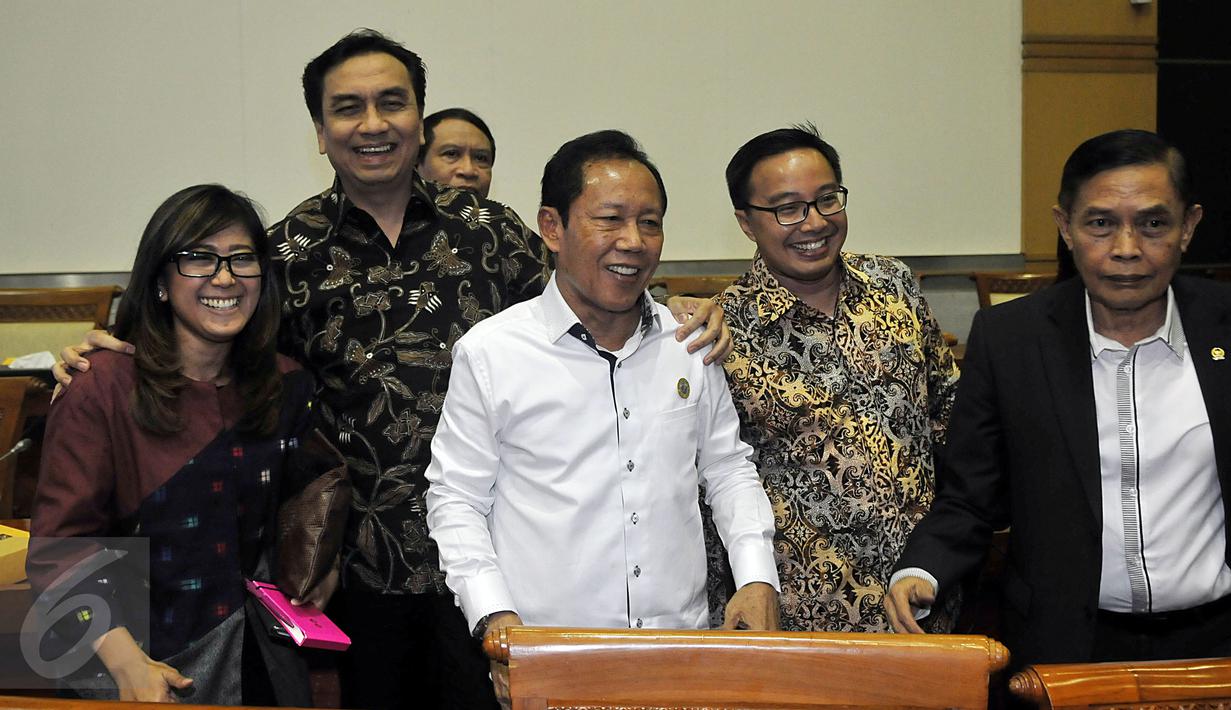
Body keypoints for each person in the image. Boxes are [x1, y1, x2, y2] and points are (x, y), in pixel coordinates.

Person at [54, 29, 730, 710]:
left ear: (419, 119)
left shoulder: (489, 233)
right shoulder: (284, 251)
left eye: (391, 103)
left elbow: (595, 298)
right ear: (320, 131)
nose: (372, 124)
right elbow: (214, 336)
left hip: (499, 573)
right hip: (349, 575)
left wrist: (681, 309)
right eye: (347, 108)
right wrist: (99, 351)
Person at [424, 130, 780, 704]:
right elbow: (456, 499)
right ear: (552, 227)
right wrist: (496, 618)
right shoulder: (492, 353)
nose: (633, 242)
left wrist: (756, 576)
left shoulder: (688, 342)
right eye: (609, 219)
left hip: (680, 654)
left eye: (650, 222)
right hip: (550, 658)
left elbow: (728, 468)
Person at [885, 129, 1230, 666]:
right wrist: (922, 570)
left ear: (1188, 227)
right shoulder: (1010, 339)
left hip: (1214, 647)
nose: (1126, 248)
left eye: (1153, 223)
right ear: (1065, 227)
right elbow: (970, 495)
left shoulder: (1223, 327)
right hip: (1065, 648)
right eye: (1100, 223)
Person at [29, 185, 342, 705]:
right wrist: (128, 663)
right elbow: (58, 552)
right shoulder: (101, 386)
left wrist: (321, 569)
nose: (224, 277)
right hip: (136, 665)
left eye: (241, 259)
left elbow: (303, 507)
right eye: (199, 258)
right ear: (159, 280)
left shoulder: (285, 385)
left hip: (261, 659)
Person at [715, 124, 960, 633]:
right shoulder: (721, 329)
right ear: (746, 221)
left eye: (827, 200)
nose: (814, 222)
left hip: (926, 602)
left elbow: (950, 415)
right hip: (805, 620)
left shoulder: (894, 285)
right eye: (788, 208)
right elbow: (716, 476)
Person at [419, 108, 495, 197]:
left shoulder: (505, 211)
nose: (468, 171)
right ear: (416, 161)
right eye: (451, 154)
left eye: (481, 158)